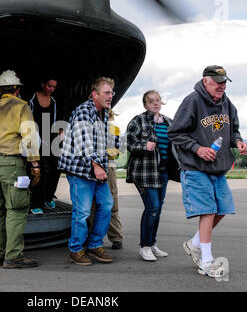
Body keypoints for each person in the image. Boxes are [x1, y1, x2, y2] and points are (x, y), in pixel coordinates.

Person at [168, 65, 247, 277]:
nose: (222, 86)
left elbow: (234, 130)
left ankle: (194, 243)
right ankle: (206, 261)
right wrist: (198, 148)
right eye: (218, 82)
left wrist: (239, 141)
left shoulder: (227, 104)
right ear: (206, 81)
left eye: (224, 82)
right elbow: (175, 132)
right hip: (195, 167)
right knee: (208, 210)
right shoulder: (192, 101)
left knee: (223, 208)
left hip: (218, 168)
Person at [0, 69, 41, 268]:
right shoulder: (22, 107)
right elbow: (29, 136)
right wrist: (35, 164)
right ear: (17, 90)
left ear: (1, 90)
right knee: (16, 208)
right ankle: (13, 256)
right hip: (11, 164)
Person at [58, 77, 115, 266]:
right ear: (95, 94)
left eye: (111, 93)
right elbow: (84, 142)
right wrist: (97, 166)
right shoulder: (84, 110)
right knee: (82, 211)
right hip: (81, 169)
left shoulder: (103, 113)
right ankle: (75, 249)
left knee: (106, 205)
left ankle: (94, 244)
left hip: (97, 167)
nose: (110, 96)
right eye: (106, 92)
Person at [126, 90, 176, 261]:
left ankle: (152, 243)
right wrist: (143, 145)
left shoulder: (169, 122)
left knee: (158, 209)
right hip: (144, 172)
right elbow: (130, 142)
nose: (155, 103)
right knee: (153, 206)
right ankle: (144, 246)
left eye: (158, 100)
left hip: (163, 172)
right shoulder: (138, 120)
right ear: (145, 104)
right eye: (151, 101)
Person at [87, 109, 124, 250]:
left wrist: (102, 152)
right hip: (92, 166)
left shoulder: (113, 129)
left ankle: (116, 237)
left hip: (108, 166)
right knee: (92, 204)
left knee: (112, 203)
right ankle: (92, 236)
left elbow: (116, 150)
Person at [28, 77, 62, 214]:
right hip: (35, 137)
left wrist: (59, 131)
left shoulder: (53, 101)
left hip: (49, 137)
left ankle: (48, 197)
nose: (51, 89)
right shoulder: (32, 99)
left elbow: (55, 120)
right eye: (49, 86)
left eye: (54, 87)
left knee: (56, 166)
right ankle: (37, 204)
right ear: (42, 84)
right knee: (40, 169)